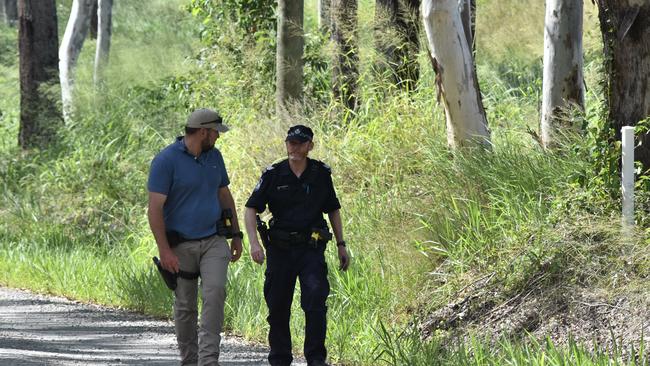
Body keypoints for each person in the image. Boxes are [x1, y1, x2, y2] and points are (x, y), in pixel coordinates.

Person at [244, 125, 350, 366]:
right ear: (286, 144)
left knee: (315, 302)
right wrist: (253, 243)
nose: (295, 147)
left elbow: (333, 209)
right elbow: (251, 208)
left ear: (310, 146)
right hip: (280, 249)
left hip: (310, 249)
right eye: (291, 142)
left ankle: (315, 359)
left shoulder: (320, 174)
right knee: (278, 305)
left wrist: (341, 244)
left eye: (301, 143)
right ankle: (280, 359)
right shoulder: (273, 174)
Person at [147, 108, 243, 366]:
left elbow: (224, 196)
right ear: (203, 131)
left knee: (215, 293)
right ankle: (190, 360)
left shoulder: (215, 157)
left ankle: (208, 360)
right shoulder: (166, 161)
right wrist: (164, 250)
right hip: (180, 245)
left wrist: (236, 234)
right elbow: (154, 209)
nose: (218, 137)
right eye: (215, 132)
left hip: (213, 240)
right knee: (185, 306)